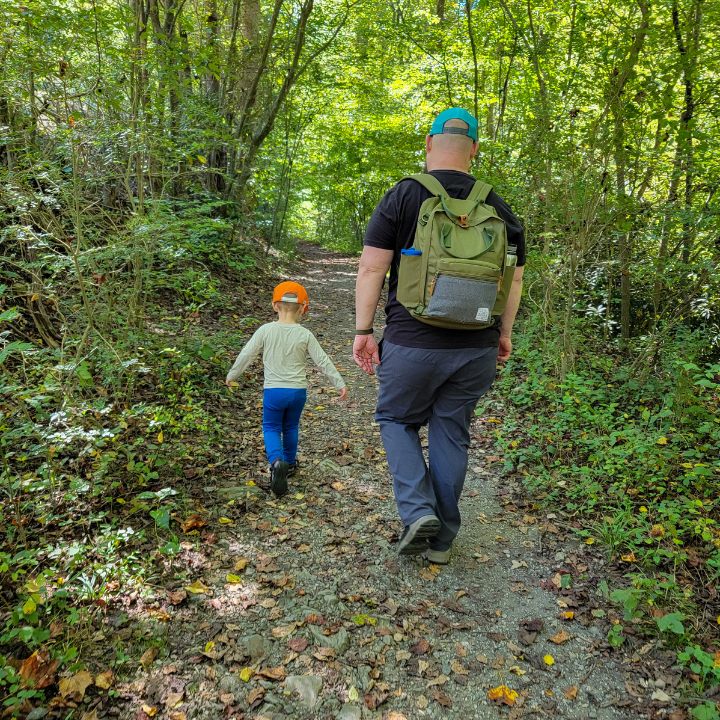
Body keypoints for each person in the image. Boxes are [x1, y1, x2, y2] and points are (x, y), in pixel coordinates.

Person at [353, 108, 526, 564]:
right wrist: (504, 334)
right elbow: (515, 280)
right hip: (477, 348)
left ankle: (417, 513)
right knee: (451, 431)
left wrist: (364, 330)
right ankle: (443, 540)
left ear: (429, 143)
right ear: (474, 149)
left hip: (413, 342)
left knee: (396, 419)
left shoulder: (403, 195)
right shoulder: (500, 207)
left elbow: (372, 267)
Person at [226, 281, 348, 496]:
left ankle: (276, 462)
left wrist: (232, 375)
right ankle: (290, 464)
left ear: (275, 306)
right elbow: (323, 361)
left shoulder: (265, 330)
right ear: (303, 308)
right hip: (297, 392)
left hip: (274, 391)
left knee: (271, 427)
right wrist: (339, 383)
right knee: (290, 427)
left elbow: (247, 354)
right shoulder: (305, 334)